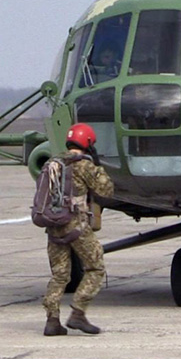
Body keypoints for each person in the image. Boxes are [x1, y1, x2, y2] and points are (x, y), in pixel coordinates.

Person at [43, 123, 115, 336]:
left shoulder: (52, 163)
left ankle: (52, 320)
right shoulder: (84, 166)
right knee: (95, 267)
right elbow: (107, 190)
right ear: (88, 143)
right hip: (77, 225)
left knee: (59, 275)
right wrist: (98, 165)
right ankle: (78, 313)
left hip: (53, 225)